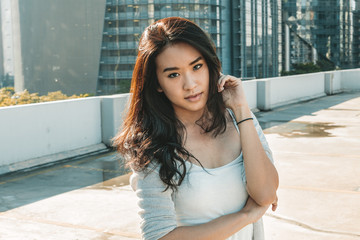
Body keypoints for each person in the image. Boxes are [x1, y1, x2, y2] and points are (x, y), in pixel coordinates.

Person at [114, 17, 279, 240]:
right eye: (173, 74)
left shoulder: (240, 119)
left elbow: (266, 193)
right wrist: (246, 215)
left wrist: (241, 110)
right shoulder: (151, 144)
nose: (190, 84)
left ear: (210, 66)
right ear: (157, 84)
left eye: (197, 66)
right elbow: (159, 237)